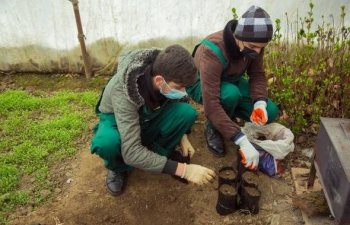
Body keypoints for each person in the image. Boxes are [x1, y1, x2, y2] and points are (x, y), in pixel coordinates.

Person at [90, 44, 216, 196]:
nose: (184, 93)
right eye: (179, 87)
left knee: (187, 113)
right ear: (158, 81)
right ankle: (118, 168)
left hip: (148, 114)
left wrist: (183, 137)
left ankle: (158, 154)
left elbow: (178, 100)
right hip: (116, 118)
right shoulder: (124, 91)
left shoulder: (167, 67)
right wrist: (184, 170)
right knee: (108, 142)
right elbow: (131, 152)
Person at [187, 6, 279, 170]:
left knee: (271, 111)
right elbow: (212, 105)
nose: (257, 52)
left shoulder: (254, 44)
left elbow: (257, 74)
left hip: (230, 80)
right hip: (201, 84)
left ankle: (228, 117)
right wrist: (240, 139)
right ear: (239, 37)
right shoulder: (212, 50)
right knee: (230, 94)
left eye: (261, 47)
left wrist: (259, 104)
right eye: (253, 47)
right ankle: (213, 129)